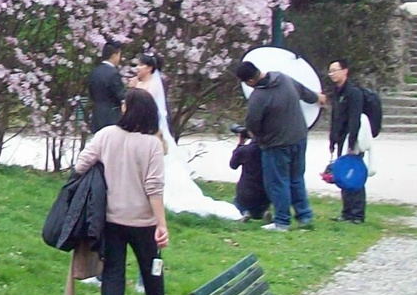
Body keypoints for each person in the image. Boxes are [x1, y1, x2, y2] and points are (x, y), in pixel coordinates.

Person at [72, 88, 181, 295]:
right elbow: (154, 186)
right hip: (143, 220)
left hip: (111, 218)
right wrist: (161, 223)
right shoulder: (152, 144)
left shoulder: (106, 135)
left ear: (128, 110)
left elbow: (81, 165)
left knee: (112, 271)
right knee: (152, 267)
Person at [132, 52, 241, 220]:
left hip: (150, 127)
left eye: (140, 65)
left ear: (149, 68)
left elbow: (148, 108)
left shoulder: (152, 86)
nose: (137, 68)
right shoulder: (141, 83)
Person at [236, 60, 321, 232]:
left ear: (249, 82)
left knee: (278, 182)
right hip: (299, 138)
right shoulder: (283, 78)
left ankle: (282, 221)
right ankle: (305, 217)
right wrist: (318, 98)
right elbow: (304, 92)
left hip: (277, 145)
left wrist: (259, 138)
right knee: (296, 179)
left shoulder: (258, 97)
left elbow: (252, 124)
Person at [326, 58, 371, 223]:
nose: (332, 74)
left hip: (352, 140)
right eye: (330, 71)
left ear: (345, 71)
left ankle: (358, 213)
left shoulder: (353, 92)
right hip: (340, 139)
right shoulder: (337, 92)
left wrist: (352, 142)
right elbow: (335, 117)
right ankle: (346, 212)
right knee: (343, 174)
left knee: (355, 175)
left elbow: (354, 119)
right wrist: (332, 139)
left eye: (335, 70)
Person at [228, 123, 270, 220]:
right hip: (265, 193)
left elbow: (233, 165)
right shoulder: (268, 151)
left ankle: (244, 212)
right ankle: (263, 213)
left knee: (237, 202)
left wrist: (240, 144)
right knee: (261, 206)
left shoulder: (244, 150)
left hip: (246, 192)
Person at [87, 40, 126, 133]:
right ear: (114, 56)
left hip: (96, 114)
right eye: (119, 55)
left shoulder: (95, 72)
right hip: (111, 115)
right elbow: (120, 94)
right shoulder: (113, 73)